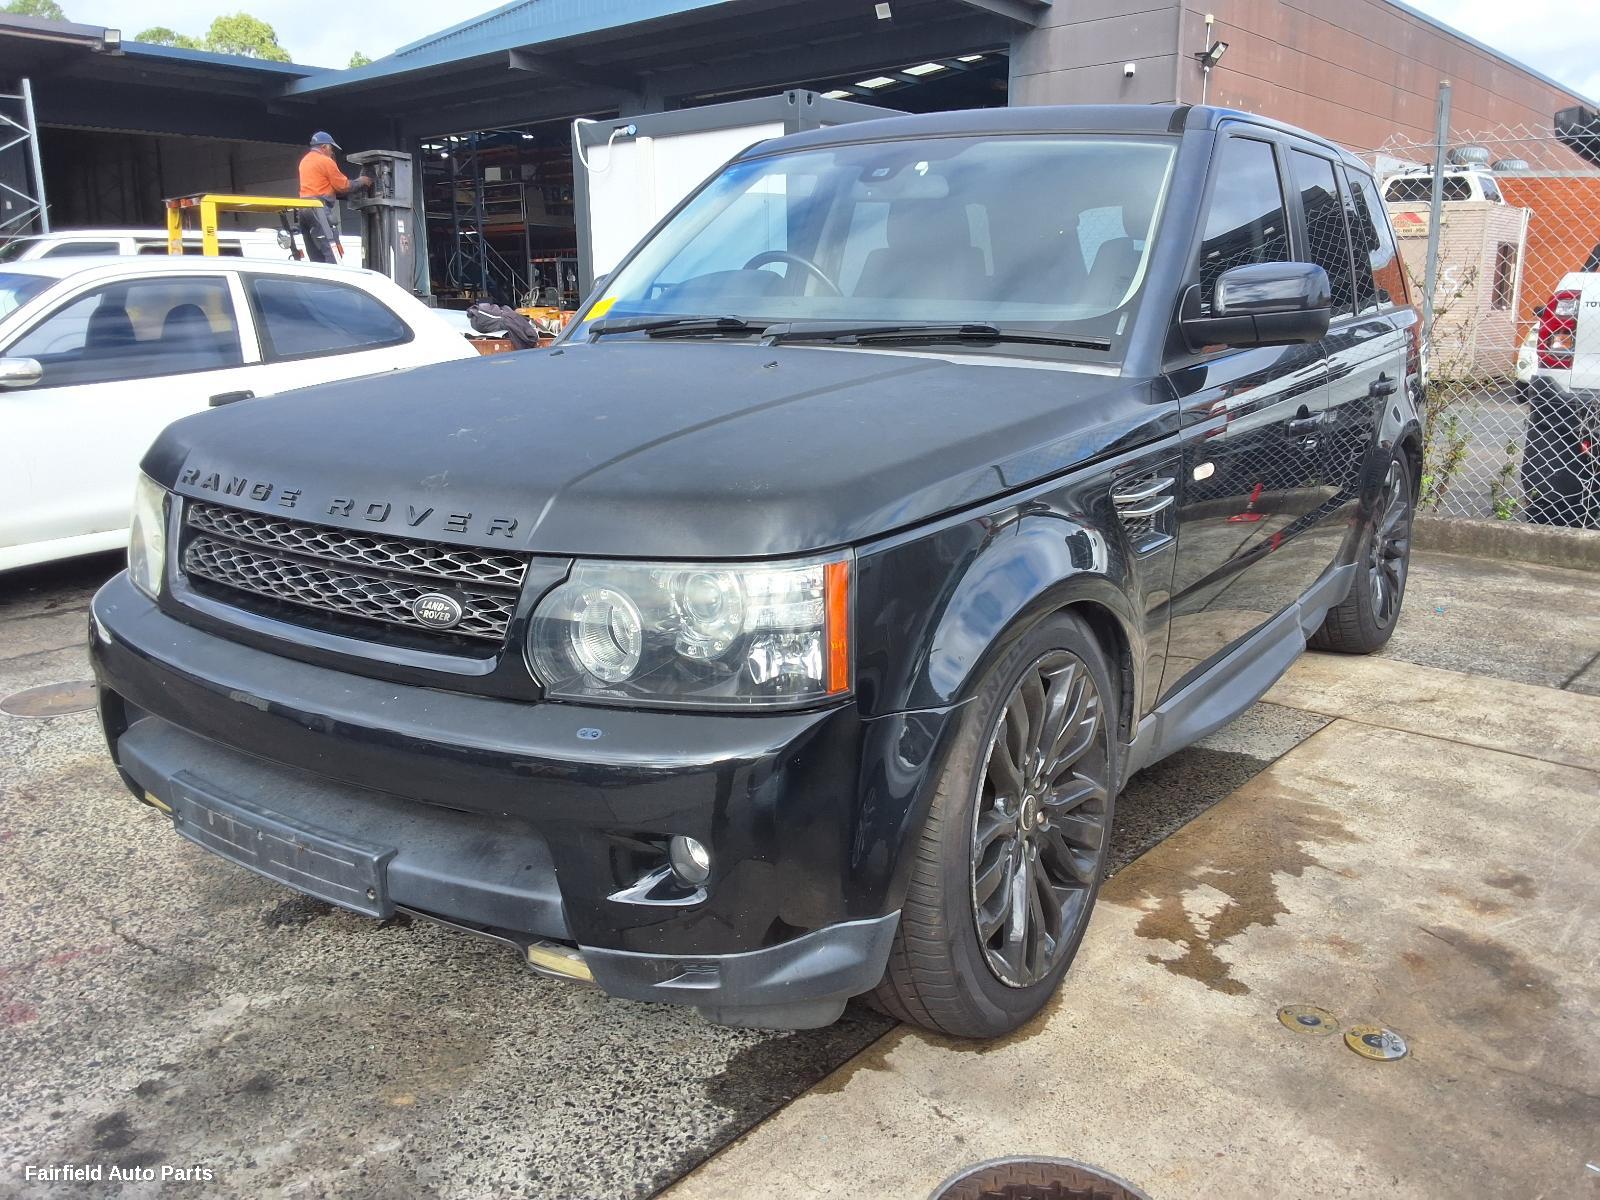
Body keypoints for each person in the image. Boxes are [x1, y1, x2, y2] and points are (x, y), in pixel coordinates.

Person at [296, 131, 369, 264]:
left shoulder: (304, 161)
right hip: (317, 208)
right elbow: (343, 186)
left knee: (315, 254)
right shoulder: (325, 161)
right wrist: (362, 181)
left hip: (303, 210)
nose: (332, 152)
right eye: (331, 148)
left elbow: (324, 186)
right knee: (332, 252)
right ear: (324, 147)